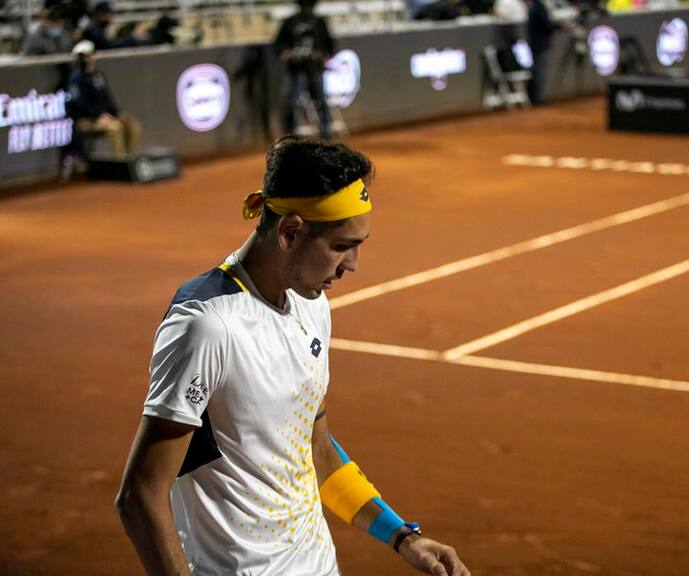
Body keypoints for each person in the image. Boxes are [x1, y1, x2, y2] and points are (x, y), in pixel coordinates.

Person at [115, 136, 471, 576]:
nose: (353, 264)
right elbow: (140, 495)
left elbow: (314, 447)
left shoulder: (311, 304)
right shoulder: (207, 325)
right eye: (342, 246)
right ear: (289, 232)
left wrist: (402, 537)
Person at [66, 40, 141, 158]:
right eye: (84, 56)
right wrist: (98, 116)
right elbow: (78, 103)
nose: (88, 59)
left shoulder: (98, 75)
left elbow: (107, 98)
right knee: (115, 128)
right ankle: (119, 164)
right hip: (86, 119)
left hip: (105, 117)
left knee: (132, 125)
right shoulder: (75, 79)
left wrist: (117, 113)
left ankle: (129, 161)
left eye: (90, 55)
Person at [274, 0, 335, 139]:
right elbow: (278, 45)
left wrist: (325, 56)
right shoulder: (290, 22)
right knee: (293, 102)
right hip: (297, 70)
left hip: (314, 68)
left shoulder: (319, 22)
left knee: (320, 101)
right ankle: (290, 136)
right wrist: (285, 53)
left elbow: (329, 43)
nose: (306, 8)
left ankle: (325, 133)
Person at [524, 0, 558, 105]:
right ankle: (537, 99)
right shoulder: (539, 7)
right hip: (541, 45)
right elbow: (546, 25)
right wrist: (558, 26)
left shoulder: (533, 6)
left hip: (534, 44)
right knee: (540, 72)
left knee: (536, 71)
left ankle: (533, 97)